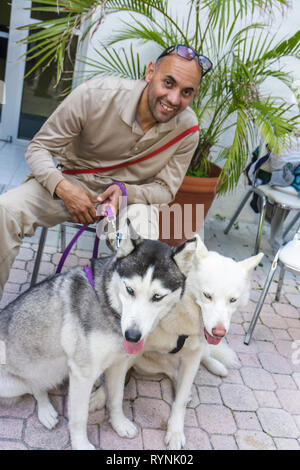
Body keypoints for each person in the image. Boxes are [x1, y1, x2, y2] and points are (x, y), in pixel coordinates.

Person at [0, 45, 212, 300]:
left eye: (186, 92)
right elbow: (38, 148)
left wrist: (126, 192)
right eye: (168, 83)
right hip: (70, 182)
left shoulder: (188, 129)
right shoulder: (95, 95)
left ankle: (123, 328)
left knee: (145, 247)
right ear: (150, 72)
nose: (174, 99)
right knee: (6, 209)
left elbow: (166, 189)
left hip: (130, 200)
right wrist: (65, 189)